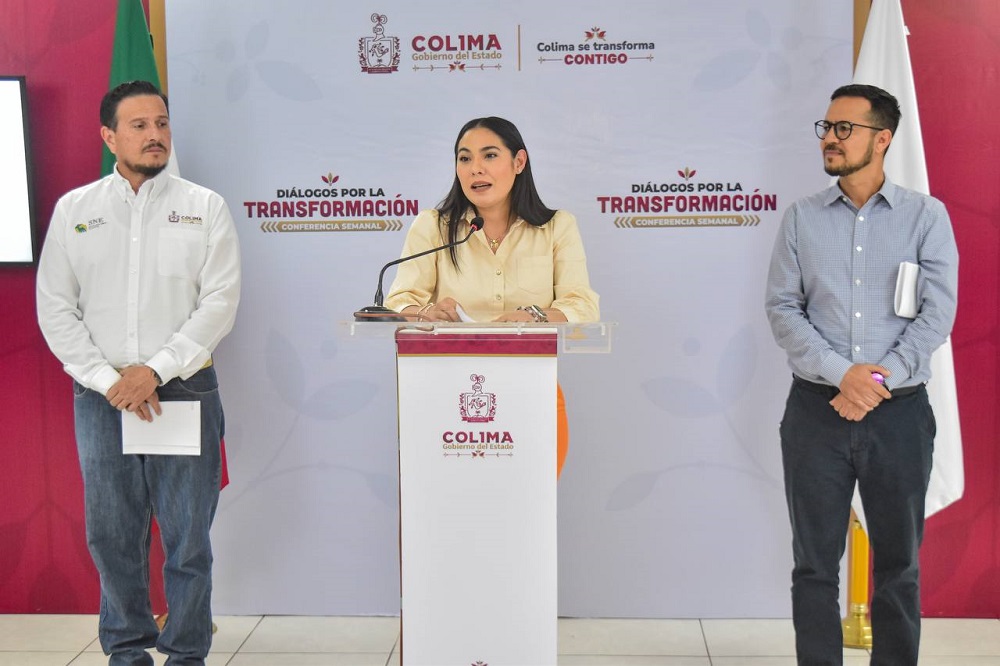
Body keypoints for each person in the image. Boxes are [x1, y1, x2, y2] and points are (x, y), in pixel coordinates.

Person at [36, 80, 241, 666]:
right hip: (102, 396)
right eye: (140, 125)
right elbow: (55, 307)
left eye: (162, 123)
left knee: (187, 539)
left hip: (184, 389)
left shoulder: (205, 207)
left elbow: (220, 302)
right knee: (112, 536)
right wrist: (111, 381)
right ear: (109, 137)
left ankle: (186, 654)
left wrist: (153, 370)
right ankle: (126, 651)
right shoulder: (75, 211)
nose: (156, 135)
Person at [765, 84, 958, 665]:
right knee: (814, 566)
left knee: (899, 565)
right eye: (826, 127)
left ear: (883, 139)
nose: (829, 137)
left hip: (899, 415)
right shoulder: (801, 218)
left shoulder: (926, 217)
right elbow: (783, 309)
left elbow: (936, 314)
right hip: (815, 413)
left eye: (843, 128)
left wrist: (874, 383)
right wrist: (841, 373)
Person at [385, 116, 600, 473]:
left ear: (519, 162)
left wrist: (533, 316)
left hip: (531, 384)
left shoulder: (556, 227)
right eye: (464, 158)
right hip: (445, 389)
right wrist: (425, 312)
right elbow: (398, 300)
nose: (475, 169)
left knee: (530, 498)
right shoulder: (433, 226)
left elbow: (582, 304)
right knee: (449, 496)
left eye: (489, 155)